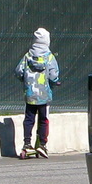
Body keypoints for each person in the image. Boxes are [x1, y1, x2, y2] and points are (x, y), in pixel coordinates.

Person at [14, 27, 60, 158]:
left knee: (29, 119)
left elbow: (18, 71)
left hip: (30, 94)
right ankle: (42, 144)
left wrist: (24, 80)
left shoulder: (27, 56)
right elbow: (53, 74)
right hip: (44, 94)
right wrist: (55, 81)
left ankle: (27, 144)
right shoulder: (49, 57)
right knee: (43, 119)